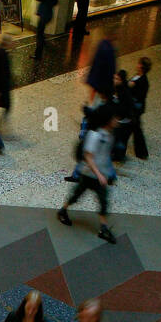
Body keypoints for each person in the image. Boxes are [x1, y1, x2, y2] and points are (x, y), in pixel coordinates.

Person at [57, 103, 120, 244]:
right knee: (77, 194)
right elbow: (88, 157)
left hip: (100, 175)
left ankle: (103, 228)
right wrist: (99, 174)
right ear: (107, 119)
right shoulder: (95, 135)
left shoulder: (110, 134)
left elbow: (104, 155)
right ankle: (63, 210)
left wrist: (107, 172)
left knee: (103, 201)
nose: (117, 120)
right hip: (89, 174)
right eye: (114, 118)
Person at [113, 57, 150, 161]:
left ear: (142, 67)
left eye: (139, 64)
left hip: (135, 110)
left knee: (131, 131)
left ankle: (138, 152)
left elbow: (132, 89)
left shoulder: (142, 80)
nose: (137, 65)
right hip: (133, 109)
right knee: (135, 130)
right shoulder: (137, 76)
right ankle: (140, 152)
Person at [85, 26, 117, 103]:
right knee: (98, 100)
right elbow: (109, 68)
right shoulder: (108, 49)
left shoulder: (102, 44)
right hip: (101, 82)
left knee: (95, 97)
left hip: (96, 80)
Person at [34, 0, 59, 64]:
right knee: (40, 33)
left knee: (39, 34)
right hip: (48, 15)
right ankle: (44, 46)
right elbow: (56, 2)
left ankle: (38, 54)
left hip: (43, 15)